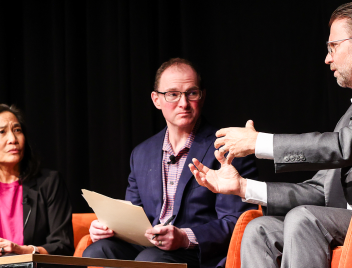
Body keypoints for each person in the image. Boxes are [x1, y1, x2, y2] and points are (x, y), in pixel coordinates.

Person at [189, 0, 352, 268]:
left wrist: (259, 142)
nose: (327, 58)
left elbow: (344, 145)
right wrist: (243, 187)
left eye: (333, 46)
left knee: (305, 218)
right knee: (260, 230)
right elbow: (320, 190)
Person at [83, 58, 258, 268]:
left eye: (191, 93)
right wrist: (109, 227)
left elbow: (235, 222)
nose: (183, 103)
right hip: (150, 247)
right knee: (96, 251)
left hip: (198, 253)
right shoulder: (141, 153)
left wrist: (185, 237)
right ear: (156, 100)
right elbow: (133, 214)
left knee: (150, 260)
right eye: (173, 94)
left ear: (202, 96)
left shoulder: (227, 148)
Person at [0, 104, 74, 260]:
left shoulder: (50, 182)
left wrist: (24, 251)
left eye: (17, 130)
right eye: (2, 132)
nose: (13, 139)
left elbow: (63, 245)